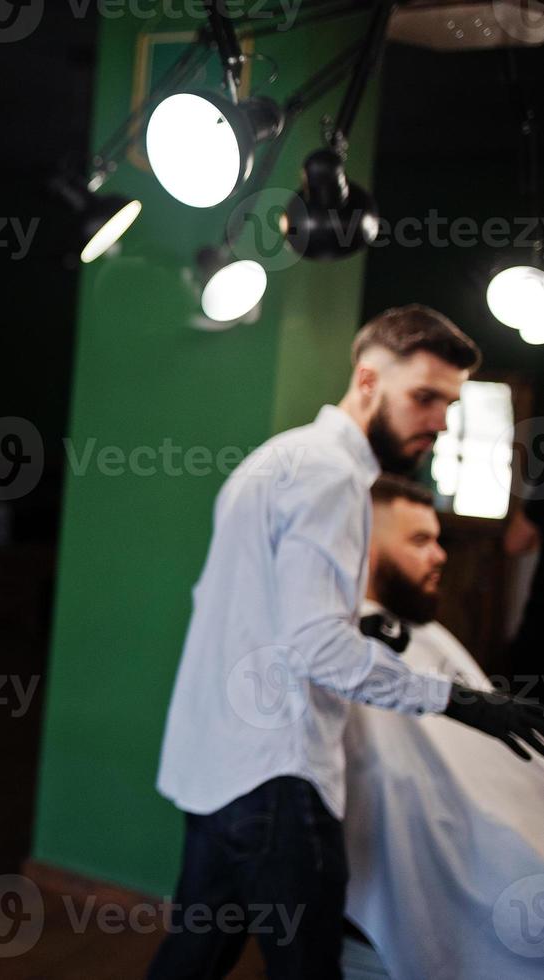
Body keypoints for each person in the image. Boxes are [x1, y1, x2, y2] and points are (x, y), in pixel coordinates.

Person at [148, 305, 544, 979]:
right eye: (422, 398)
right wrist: (458, 701)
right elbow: (316, 650)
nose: (436, 421)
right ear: (366, 380)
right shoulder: (330, 476)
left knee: (190, 960)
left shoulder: (277, 458)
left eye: (446, 404)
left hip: (214, 763)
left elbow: (249, 610)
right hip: (277, 774)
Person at [342, 476, 544, 979]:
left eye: (436, 539)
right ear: (363, 550)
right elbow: (405, 786)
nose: (440, 556)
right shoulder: (351, 648)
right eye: (418, 541)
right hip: (488, 839)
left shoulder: (422, 630)